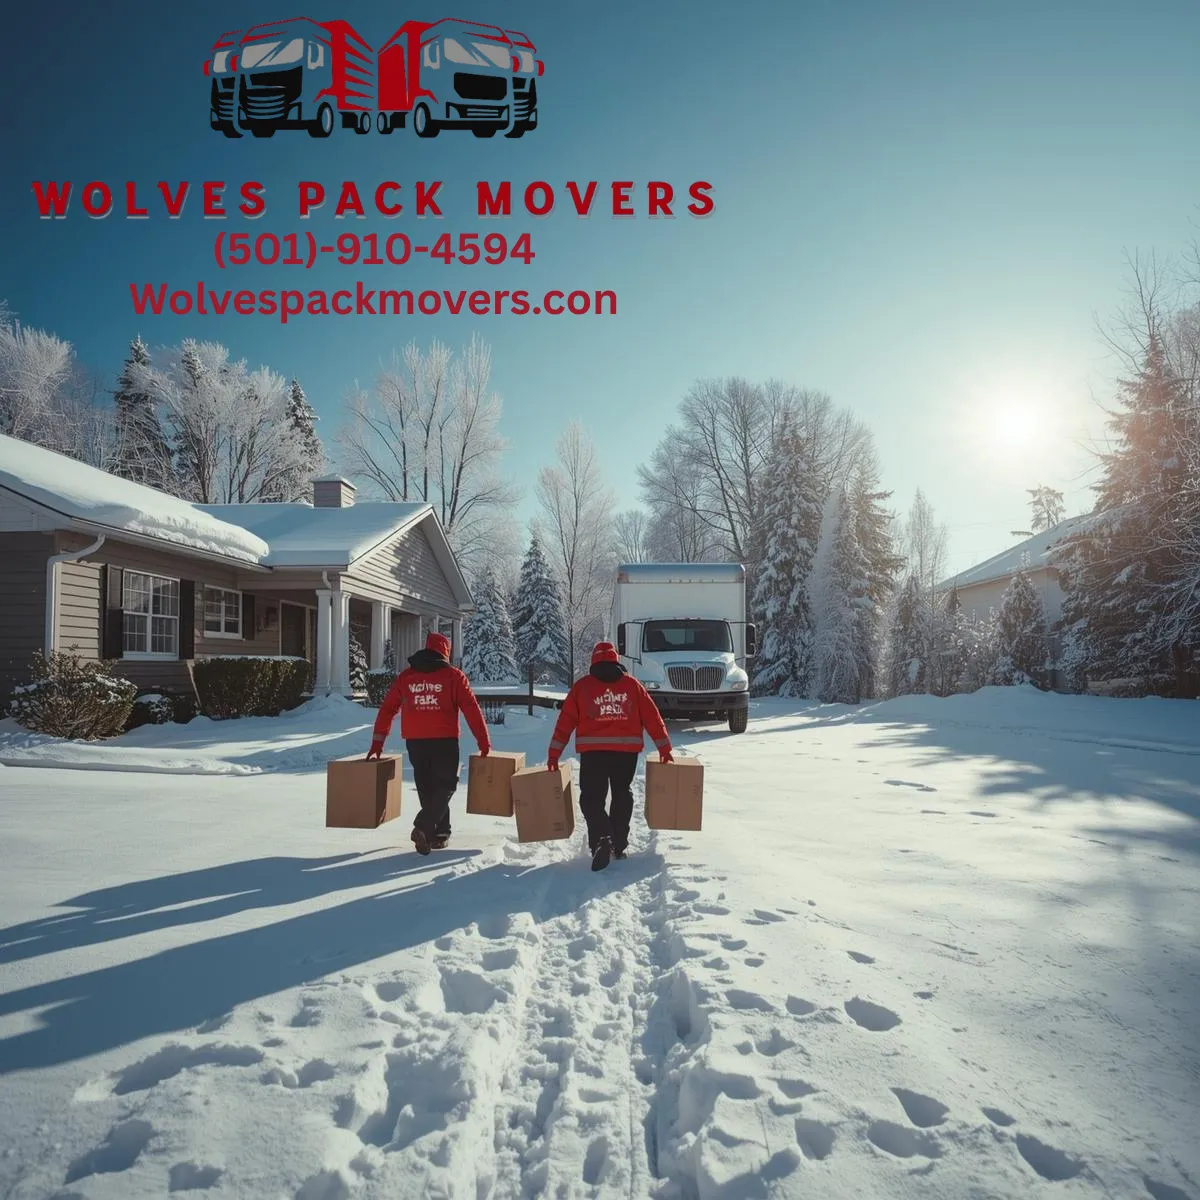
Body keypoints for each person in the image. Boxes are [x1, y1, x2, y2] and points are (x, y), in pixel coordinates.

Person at [547, 641, 673, 872]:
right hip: (626, 753)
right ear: (616, 660)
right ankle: (619, 845)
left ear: (593, 661)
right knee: (621, 794)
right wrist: (664, 748)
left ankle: (602, 838)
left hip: (593, 753)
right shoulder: (632, 686)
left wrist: (554, 754)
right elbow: (652, 717)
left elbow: (565, 722)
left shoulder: (582, 687)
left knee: (591, 799)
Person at [367, 631, 490, 856]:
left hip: (416, 742)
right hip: (445, 740)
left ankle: (439, 833)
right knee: (446, 785)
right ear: (445, 652)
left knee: (427, 786)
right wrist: (483, 740)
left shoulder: (406, 677)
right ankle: (424, 826)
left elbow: (387, 710)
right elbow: (471, 709)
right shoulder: (454, 676)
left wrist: (378, 743)